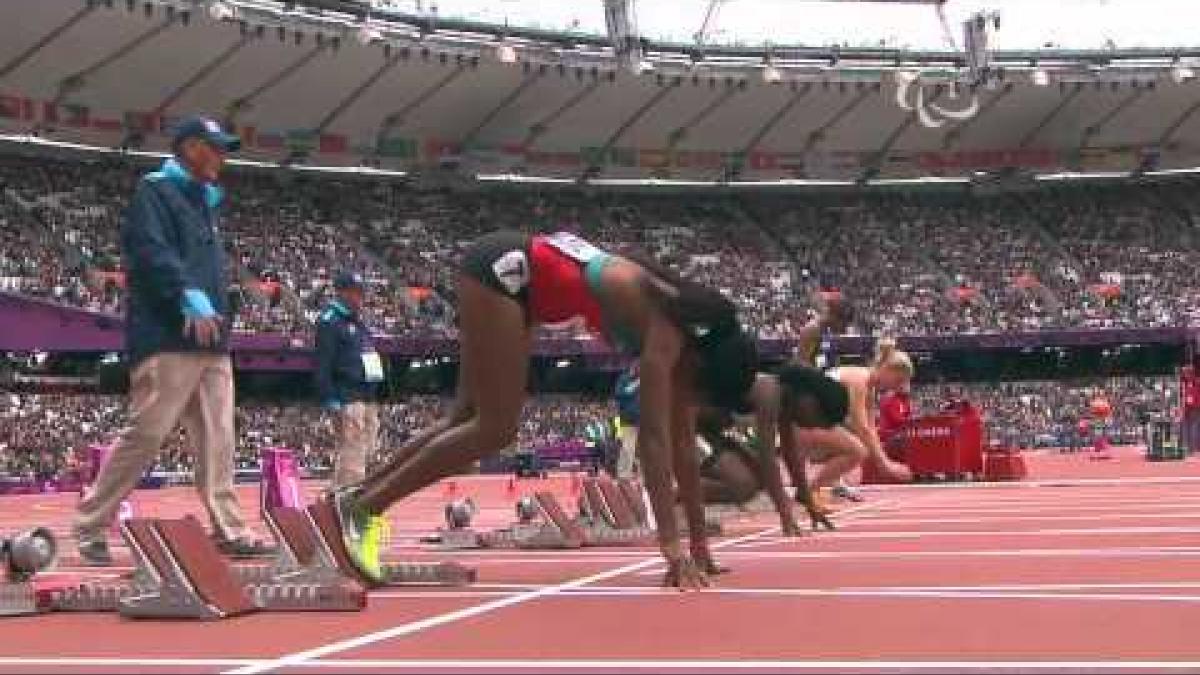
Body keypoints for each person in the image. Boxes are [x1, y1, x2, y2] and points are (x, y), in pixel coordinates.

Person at [332, 230, 778, 589]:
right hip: (503, 275)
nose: (693, 400)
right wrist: (672, 549)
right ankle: (365, 509)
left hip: (517, 285)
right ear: (701, 362)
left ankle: (352, 499)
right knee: (493, 429)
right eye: (700, 391)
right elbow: (657, 442)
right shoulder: (663, 332)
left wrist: (700, 548)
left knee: (463, 421)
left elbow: (683, 441)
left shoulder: (683, 335)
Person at [73, 116, 272, 564]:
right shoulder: (156, 190)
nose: (222, 158)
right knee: (147, 434)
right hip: (167, 335)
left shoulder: (202, 200)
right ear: (190, 148)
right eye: (215, 148)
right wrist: (187, 294)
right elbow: (149, 251)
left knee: (219, 439)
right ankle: (90, 525)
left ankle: (229, 527)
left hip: (212, 340)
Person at [615, 364, 851, 536]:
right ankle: (670, 502)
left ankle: (682, 506)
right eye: (817, 419)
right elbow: (770, 459)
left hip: (702, 426)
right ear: (809, 399)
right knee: (743, 482)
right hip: (674, 416)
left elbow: (790, 455)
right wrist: (786, 516)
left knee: (753, 481)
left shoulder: (784, 403)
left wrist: (808, 502)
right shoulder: (769, 392)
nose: (813, 426)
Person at [792, 338, 915, 513]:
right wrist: (885, 464)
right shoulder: (859, 380)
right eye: (897, 381)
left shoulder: (870, 391)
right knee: (858, 450)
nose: (895, 388)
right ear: (888, 370)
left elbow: (871, 429)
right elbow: (862, 426)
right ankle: (809, 491)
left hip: (811, 420)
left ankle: (826, 485)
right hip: (797, 419)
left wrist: (884, 460)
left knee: (858, 442)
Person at [316, 271, 384, 489]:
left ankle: (337, 495)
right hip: (347, 396)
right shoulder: (330, 322)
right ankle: (348, 500)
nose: (360, 297)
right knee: (352, 453)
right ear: (342, 293)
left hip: (367, 396)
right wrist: (330, 399)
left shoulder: (358, 321)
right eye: (356, 292)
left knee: (366, 451)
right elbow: (322, 362)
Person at [613, 362, 640, 479]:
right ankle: (624, 474)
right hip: (628, 419)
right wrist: (637, 383)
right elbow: (620, 394)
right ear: (633, 368)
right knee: (628, 447)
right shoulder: (623, 379)